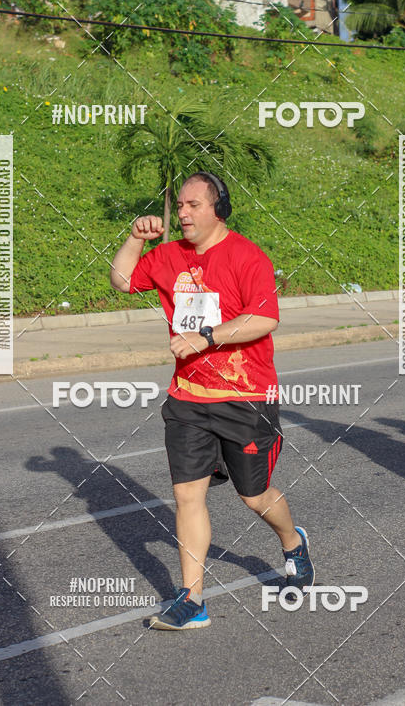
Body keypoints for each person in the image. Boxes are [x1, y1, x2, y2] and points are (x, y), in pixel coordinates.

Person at [110, 171, 313, 630]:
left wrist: (206, 338)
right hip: (188, 397)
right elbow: (122, 280)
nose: (183, 213)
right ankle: (192, 598)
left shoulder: (247, 256)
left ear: (218, 209)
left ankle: (292, 542)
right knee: (187, 495)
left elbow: (264, 318)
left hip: (245, 397)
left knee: (253, 495)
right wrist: (134, 239)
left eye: (193, 205)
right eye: (179, 205)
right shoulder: (168, 256)